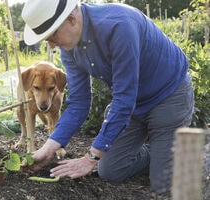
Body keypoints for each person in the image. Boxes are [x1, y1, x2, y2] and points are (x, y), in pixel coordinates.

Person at [21, 0, 194, 196]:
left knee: (162, 179)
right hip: (134, 104)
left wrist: (90, 157)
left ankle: (171, 153)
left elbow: (124, 99)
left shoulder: (120, 25)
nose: (52, 45)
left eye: (52, 36)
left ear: (71, 19)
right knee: (110, 170)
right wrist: (49, 147)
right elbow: (78, 102)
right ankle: (161, 151)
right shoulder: (69, 47)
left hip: (168, 96)